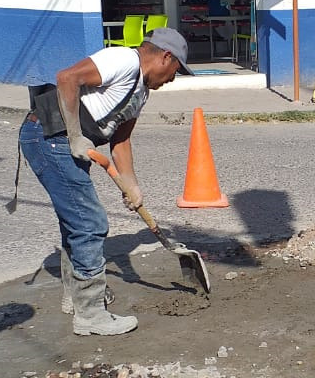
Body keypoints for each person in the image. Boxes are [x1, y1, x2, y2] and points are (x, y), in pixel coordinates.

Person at [21, 27, 191, 337]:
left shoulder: (142, 91)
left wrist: (131, 185)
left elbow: (121, 141)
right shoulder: (124, 60)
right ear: (166, 57)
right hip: (50, 136)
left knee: (76, 220)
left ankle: (76, 298)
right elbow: (67, 78)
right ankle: (91, 313)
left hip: (62, 143)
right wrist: (74, 134)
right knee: (90, 222)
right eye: (175, 71)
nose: (172, 80)